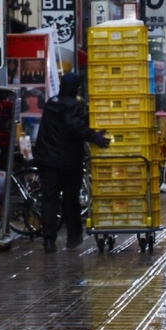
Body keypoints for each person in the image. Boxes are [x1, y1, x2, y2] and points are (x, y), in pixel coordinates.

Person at [33, 71, 109, 252]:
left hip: (47, 160)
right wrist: (94, 137)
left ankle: (49, 240)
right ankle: (73, 238)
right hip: (68, 161)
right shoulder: (73, 105)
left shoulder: (51, 103)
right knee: (70, 199)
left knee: (49, 199)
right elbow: (75, 127)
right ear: (76, 88)